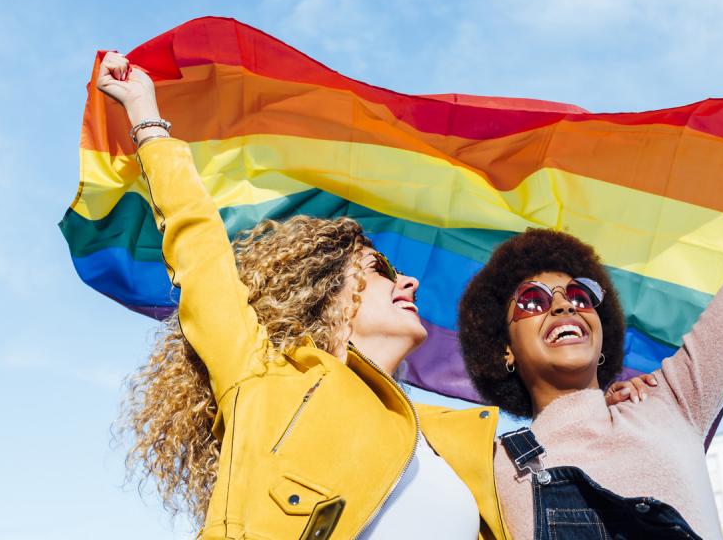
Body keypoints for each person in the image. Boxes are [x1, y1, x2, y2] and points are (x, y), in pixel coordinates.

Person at [95, 51, 503, 540]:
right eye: (381, 269)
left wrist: (613, 407)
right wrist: (146, 119)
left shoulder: (452, 440)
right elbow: (201, 253)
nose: (409, 283)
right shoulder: (263, 381)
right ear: (325, 291)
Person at [458, 86, 723, 539]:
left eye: (580, 295)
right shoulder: (490, 467)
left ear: (602, 334)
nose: (562, 303)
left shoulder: (675, 403)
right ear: (504, 350)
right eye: (533, 300)